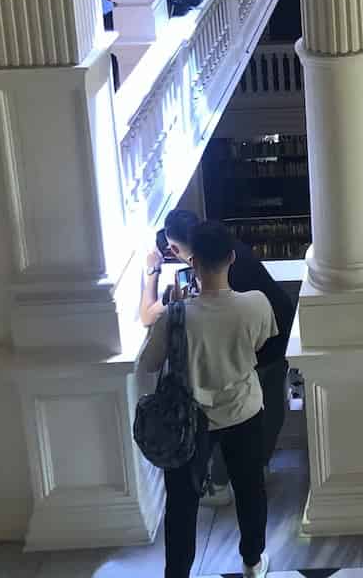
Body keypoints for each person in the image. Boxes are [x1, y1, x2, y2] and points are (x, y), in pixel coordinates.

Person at [136, 220, 275, 578]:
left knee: (182, 505)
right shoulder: (256, 305)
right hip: (244, 410)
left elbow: (150, 363)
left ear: (192, 262)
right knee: (250, 490)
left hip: (189, 422)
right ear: (231, 258)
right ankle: (252, 562)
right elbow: (258, 346)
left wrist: (175, 314)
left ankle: (178, 573)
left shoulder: (177, 315)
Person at [142, 209, 297, 504]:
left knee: (239, 418)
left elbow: (148, 316)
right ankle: (254, 472)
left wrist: (153, 272)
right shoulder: (228, 251)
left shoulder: (204, 280)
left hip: (263, 352)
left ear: (180, 251)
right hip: (274, 336)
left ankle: (225, 482)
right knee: (263, 409)